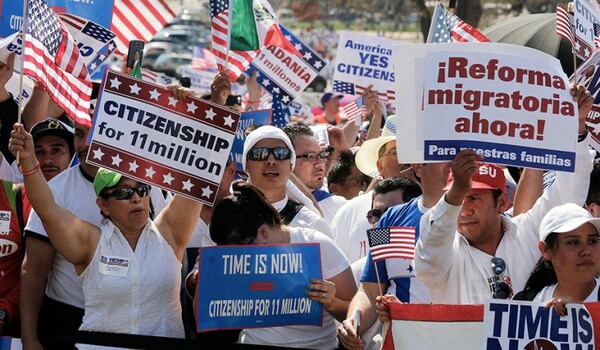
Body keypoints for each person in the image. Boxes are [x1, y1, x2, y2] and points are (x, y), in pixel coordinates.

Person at [10, 124, 204, 347]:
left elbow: (199, 171)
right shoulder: (91, 244)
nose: (135, 198)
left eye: (141, 189)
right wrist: (28, 162)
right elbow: (46, 208)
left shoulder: (170, 235)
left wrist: (191, 114)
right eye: (123, 192)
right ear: (103, 205)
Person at [416, 132, 594, 304]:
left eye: (474, 198)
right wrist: (455, 193)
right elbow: (431, 247)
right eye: (458, 199)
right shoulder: (443, 254)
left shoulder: (528, 232)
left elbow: (568, 194)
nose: (464, 211)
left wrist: (575, 131)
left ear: (501, 203)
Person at [202, 181, 356, 349]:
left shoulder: (318, 245)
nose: (236, 258)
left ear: (262, 233)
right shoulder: (232, 254)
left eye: (240, 252)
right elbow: (207, 316)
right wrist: (205, 282)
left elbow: (354, 312)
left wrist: (331, 302)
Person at [242, 125, 333, 237]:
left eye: (281, 153)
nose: (271, 161)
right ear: (246, 165)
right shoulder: (225, 221)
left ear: (291, 165)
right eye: (260, 153)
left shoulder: (314, 226)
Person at [513, 203, 600, 313]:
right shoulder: (524, 303)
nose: (586, 251)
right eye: (573, 242)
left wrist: (575, 315)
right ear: (545, 250)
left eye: (592, 241)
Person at [282, 123, 347, 222]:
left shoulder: (339, 207)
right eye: (310, 156)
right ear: (288, 159)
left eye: (321, 155)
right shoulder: (266, 207)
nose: (320, 163)